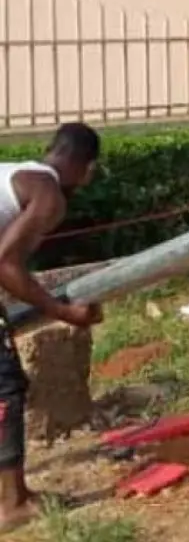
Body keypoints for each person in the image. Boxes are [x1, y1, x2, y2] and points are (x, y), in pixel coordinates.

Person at [0, 122, 104, 531]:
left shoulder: (15, 173)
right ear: (88, 168)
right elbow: (5, 263)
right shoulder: (49, 194)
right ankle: (12, 504)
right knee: (3, 384)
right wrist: (65, 312)